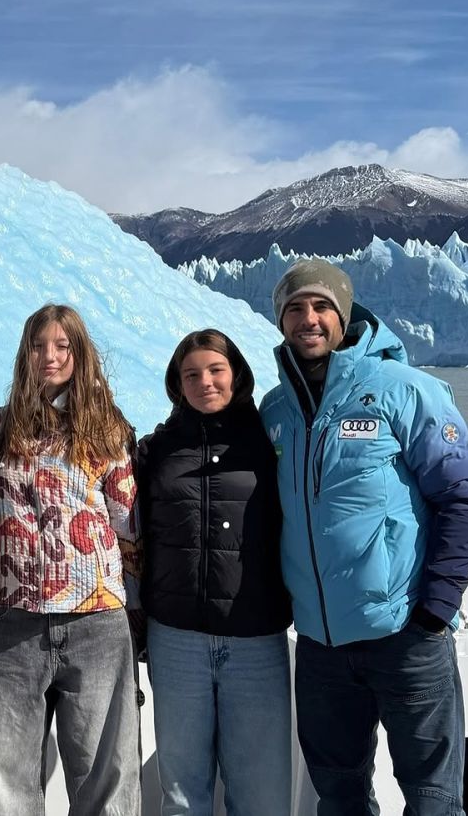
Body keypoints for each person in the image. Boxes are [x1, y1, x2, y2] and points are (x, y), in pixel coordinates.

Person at [260, 259, 468, 814]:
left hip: (406, 636)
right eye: (294, 308)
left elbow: (464, 496)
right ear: (280, 321)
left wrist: (437, 607)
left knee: (434, 796)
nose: (307, 319)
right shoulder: (276, 410)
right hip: (320, 646)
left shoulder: (404, 390)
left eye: (320, 306)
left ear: (344, 314)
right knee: (338, 796)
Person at [0, 303, 144, 816]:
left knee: (103, 779)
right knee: (5, 779)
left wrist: (137, 613)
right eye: (39, 345)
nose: (50, 356)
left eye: (62, 346)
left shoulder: (107, 427)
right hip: (11, 620)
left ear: (79, 353)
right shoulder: (2, 425)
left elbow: (128, 525)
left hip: (95, 620)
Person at [137, 329, 292, 816]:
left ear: (237, 375)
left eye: (215, 370)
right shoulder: (156, 450)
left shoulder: (270, 444)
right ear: (176, 384)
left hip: (254, 638)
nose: (205, 382)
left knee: (260, 791)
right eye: (191, 374)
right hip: (177, 638)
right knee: (182, 792)